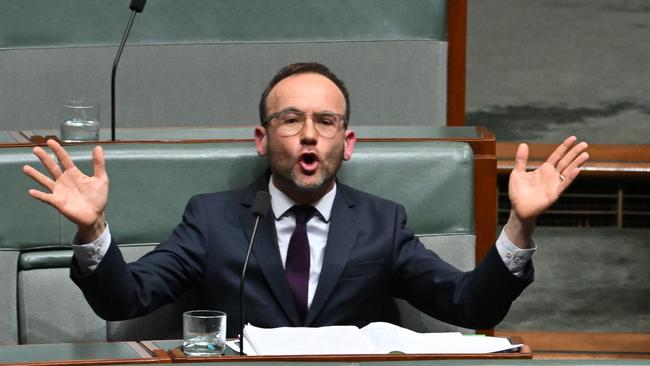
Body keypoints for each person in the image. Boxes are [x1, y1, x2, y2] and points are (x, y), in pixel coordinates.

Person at [23, 62, 589, 337]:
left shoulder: (380, 222)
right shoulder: (212, 218)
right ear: (262, 139)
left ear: (348, 142)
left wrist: (519, 225)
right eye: (291, 120)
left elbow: (471, 307)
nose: (309, 134)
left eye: (326, 121)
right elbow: (126, 300)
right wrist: (93, 229)